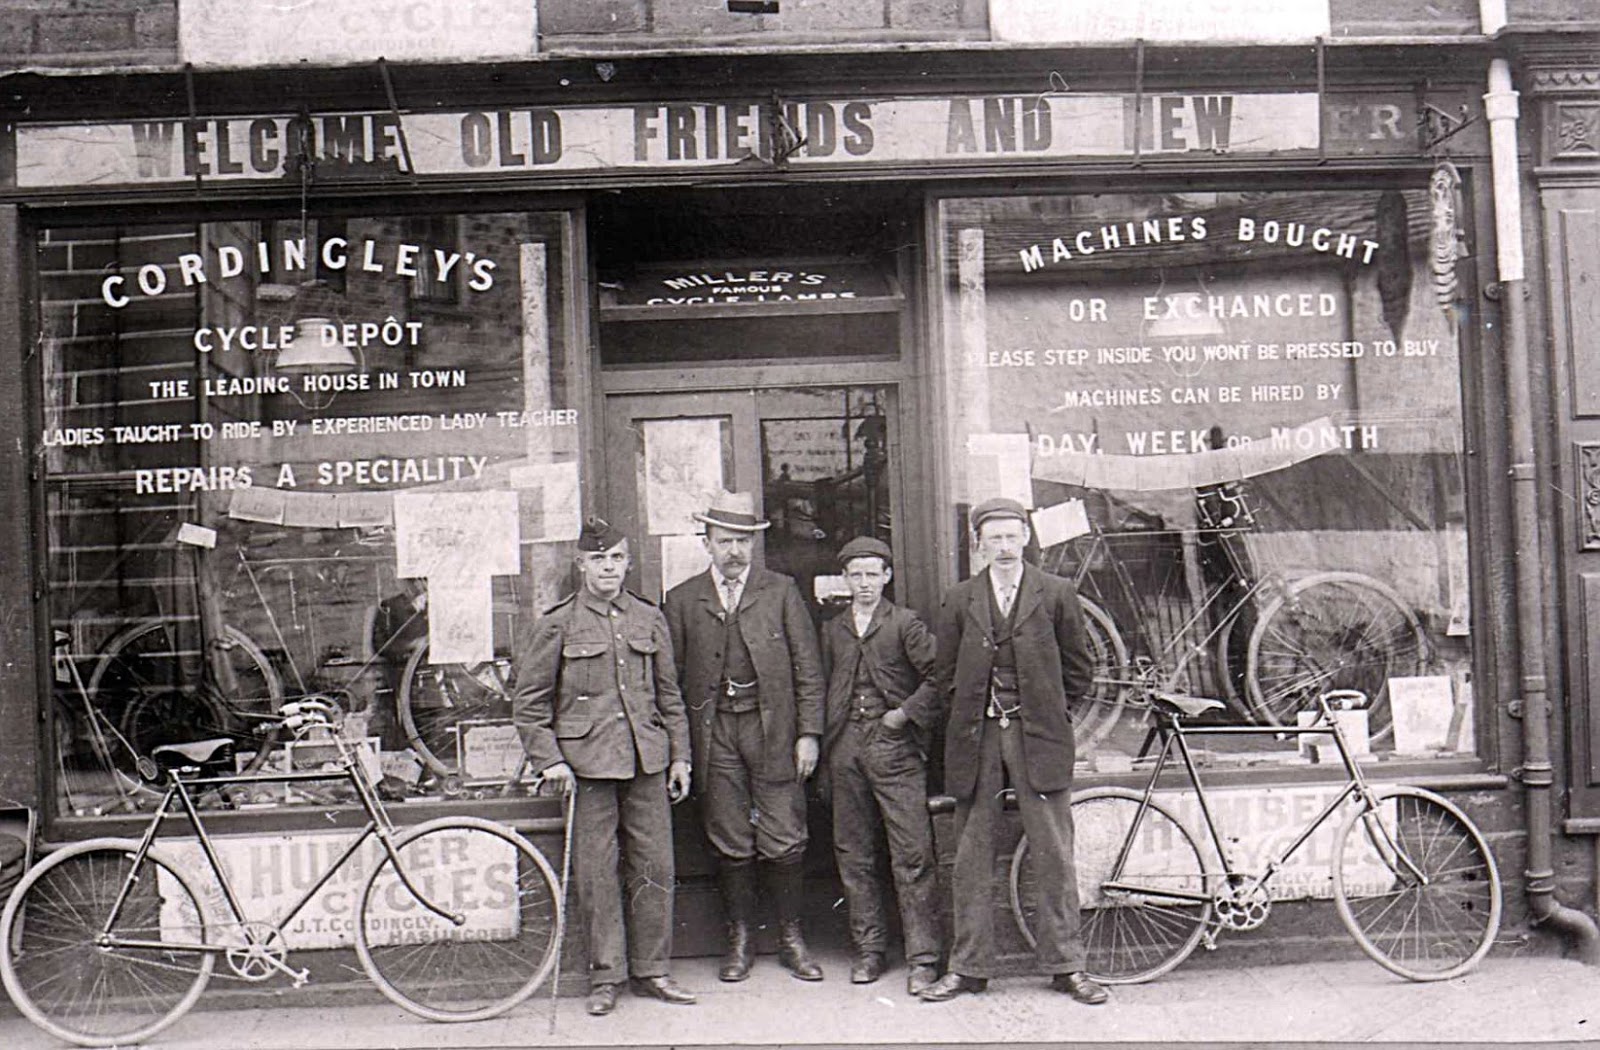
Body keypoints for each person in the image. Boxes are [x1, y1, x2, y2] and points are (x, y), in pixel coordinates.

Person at [916, 498, 1109, 1006]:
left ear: (1026, 537)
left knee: (1053, 852)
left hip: (1037, 735)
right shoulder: (960, 599)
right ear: (980, 544)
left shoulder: (1057, 593)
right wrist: (974, 713)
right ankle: (969, 969)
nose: (1003, 547)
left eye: (1012, 536)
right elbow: (945, 676)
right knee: (970, 855)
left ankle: (1068, 966)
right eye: (994, 538)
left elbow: (1079, 669)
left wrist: (1045, 710)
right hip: (977, 738)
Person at [512, 517, 696, 1017]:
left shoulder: (647, 618)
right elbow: (529, 705)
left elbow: (669, 696)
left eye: (616, 558)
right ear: (581, 564)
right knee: (597, 872)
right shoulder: (558, 623)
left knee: (655, 866)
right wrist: (549, 759)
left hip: (646, 761)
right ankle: (606, 976)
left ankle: (652, 970)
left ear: (628, 563)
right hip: (586, 767)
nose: (608, 568)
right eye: (598, 559)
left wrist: (680, 755)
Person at [664, 490, 827, 983]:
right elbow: (669, 682)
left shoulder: (780, 591)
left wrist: (809, 733)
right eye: (724, 541)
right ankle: (739, 939)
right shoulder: (682, 599)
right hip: (716, 735)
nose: (734, 551)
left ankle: (790, 937)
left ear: (753, 546)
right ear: (707, 544)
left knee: (784, 834)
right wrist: (682, 751)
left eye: (742, 542)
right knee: (730, 837)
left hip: (772, 728)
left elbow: (808, 668)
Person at [819, 536, 942, 996]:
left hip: (895, 750)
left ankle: (924, 958)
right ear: (845, 579)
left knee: (912, 853)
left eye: (873, 573)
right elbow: (824, 683)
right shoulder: (833, 629)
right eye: (857, 574)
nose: (865, 583)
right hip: (846, 747)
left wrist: (903, 714)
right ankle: (869, 949)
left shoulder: (905, 624)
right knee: (854, 852)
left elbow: (938, 678)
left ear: (887, 577)